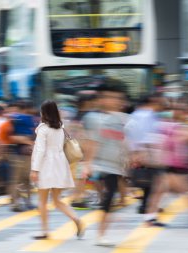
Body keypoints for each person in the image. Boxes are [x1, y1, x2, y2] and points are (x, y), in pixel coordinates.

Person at [30, 100, 84, 240]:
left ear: (44, 113)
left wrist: (35, 170)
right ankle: (76, 219)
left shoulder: (43, 129)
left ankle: (44, 231)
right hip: (60, 165)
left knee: (42, 201)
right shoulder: (60, 128)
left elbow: (40, 150)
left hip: (46, 166)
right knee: (57, 200)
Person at [82, 83, 128, 246]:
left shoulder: (124, 119)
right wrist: (88, 164)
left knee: (108, 199)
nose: (113, 100)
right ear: (101, 99)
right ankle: (101, 234)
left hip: (115, 166)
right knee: (107, 197)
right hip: (99, 164)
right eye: (108, 97)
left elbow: (126, 141)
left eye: (116, 97)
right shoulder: (93, 118)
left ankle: (101, 233)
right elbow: (90, 142)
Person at [125, 93, 167, 226]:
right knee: (155, 181)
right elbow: (149, 135)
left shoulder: (134, 115)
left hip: (139, 151)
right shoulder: (148, 115)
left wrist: (133, 152)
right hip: (148, 152)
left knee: (148, 179)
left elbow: (128, 133)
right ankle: (148, 211)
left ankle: (146, 207)